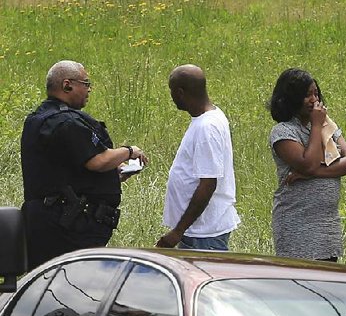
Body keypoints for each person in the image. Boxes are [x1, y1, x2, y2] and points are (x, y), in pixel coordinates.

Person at [20, 60, 148, 268]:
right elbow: (98, 161)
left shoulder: (38, 119)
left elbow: (63, 171)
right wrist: (130, 151)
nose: (89, 89)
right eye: (86, 83)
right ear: (67, 85)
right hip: (65, 230)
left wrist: (112, 176)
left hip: (46, 224)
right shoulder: (66, 123)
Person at [268, 68, 346, 261]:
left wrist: (312, 174)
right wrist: (316, 126)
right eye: (307, 95)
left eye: (316, 94)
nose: (314, 100)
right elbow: (308, 164)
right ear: (292, 98)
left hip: (327, 227)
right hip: (297, 227)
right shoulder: (283, 132)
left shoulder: (327, 126)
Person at [157, 64, 240, 250]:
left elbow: (208, 183)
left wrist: (178, 231)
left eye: (171, 91)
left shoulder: (207, 127)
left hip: (204, 234)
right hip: (198, 231)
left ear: (180, 93)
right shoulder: (207, 119)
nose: (171, 97)